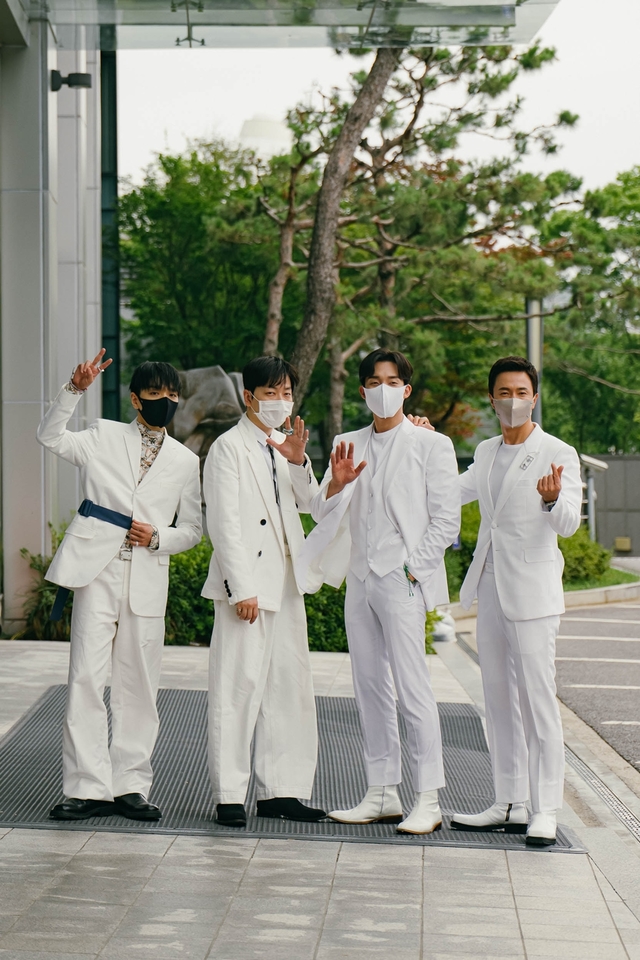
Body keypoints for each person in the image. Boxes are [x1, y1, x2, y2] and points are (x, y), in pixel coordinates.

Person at [37, 353, 202, 822]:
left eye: (172, 396)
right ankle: (86, 787)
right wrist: (73, 389)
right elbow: (49, 437)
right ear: (136, 399)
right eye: (155, 395)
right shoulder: (103, 435)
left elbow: (193, 527)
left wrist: (159, 537)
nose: (165, 402)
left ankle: (130, 785)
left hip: (147, 575)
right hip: (96, 571)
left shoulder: (186, 460)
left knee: (139, 686)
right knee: (86, 678)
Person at [303, 349, 460, 834]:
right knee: (369, 684)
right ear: (362, 390)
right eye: (374, 381)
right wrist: (336, 487)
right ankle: (382, 792)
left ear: (407, 390)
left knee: (413, 687)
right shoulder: (347, 442)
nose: (383, 389)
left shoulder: (433, 446)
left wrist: (415, 569)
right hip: (360, 577)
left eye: (392, 381)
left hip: (402, 578)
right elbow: (317, 511)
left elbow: (445, 518)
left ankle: (428, 797)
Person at [450, 356, 582, 846]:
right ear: (492, 398)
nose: (512, 401)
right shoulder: (484, 452)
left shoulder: (558, 452)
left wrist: (551, 500)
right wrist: (420, 441)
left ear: (535, 397)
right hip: (490, 587)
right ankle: (509, 800)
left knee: (538, 702)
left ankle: (545, 807)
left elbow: (569, 521)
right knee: (498, 700)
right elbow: (448, 491)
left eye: (520, 392)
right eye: (503, 393)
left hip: (533, 593)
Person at [201, 356, 326, 828]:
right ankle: (229, 794)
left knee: (290, 689)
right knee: (237, 688)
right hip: (249, 586)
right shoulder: (227, 448)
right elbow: (224, 524)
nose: (280, 401)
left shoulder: (284, 444)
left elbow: (312, 503)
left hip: (287, 582)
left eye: (286, 392)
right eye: (270, 392)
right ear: (249, 396)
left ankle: (283, 791)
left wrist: (298, 461)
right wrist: (240, 588)